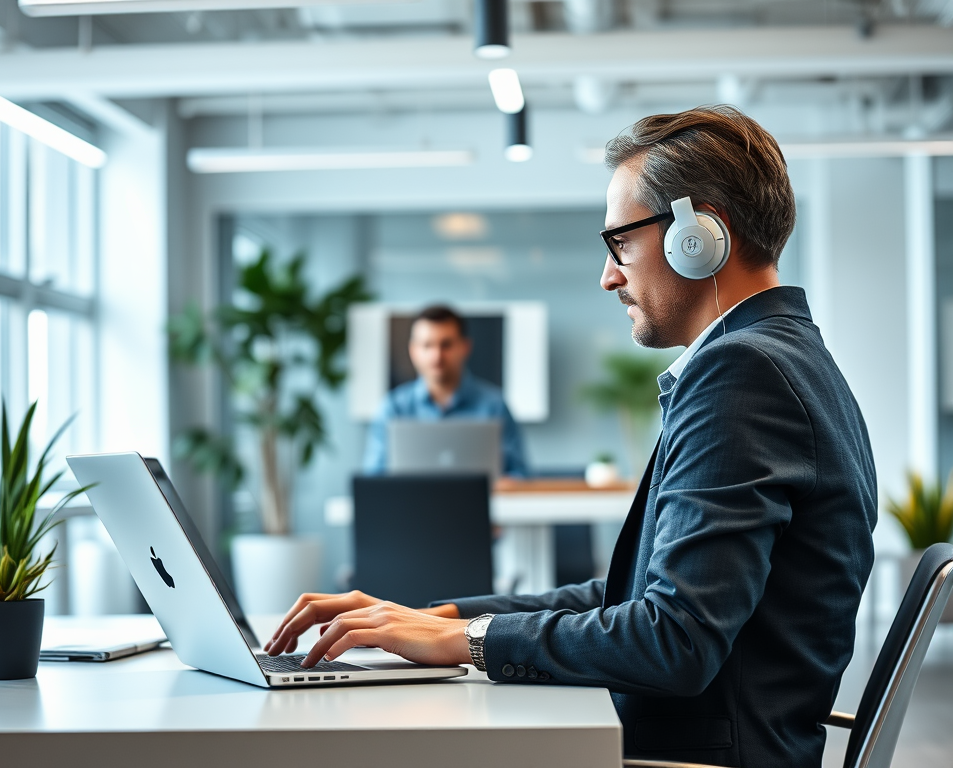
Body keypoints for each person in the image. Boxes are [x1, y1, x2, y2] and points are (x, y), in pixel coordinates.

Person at [266, 107, 877, 768]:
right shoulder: (783, 357)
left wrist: (467, 639)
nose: (609, 276)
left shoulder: (743, 373)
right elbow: (634, 599)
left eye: (620, 242)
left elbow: (673, 642)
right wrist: (432, 616)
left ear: (699, 235)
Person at [362, 304, 528, 477]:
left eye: (446, 345)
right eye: (427, 345)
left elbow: (520, 476)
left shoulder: (494, 407)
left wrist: (507, 485)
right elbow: (373, 479)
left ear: (465, 347)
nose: (437, 356)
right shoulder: (393, 408)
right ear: (413, 351)